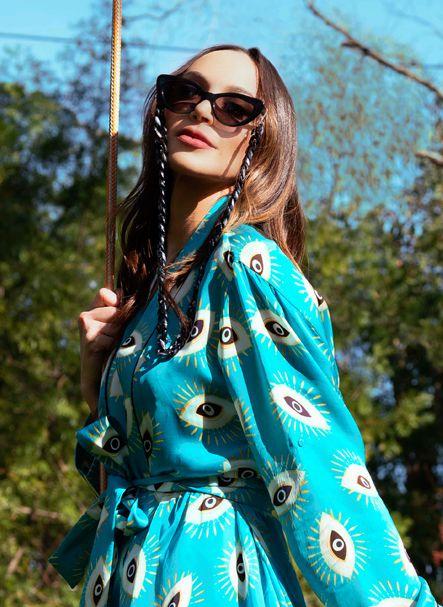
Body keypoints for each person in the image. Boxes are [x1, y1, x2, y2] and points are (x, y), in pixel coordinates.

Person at [48, 44, 441, 607]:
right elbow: (129, 473)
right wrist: (98, 386)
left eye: (234, 108)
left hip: (212, 574)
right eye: (186, 92)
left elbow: (317, 466)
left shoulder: (245, 264)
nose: (202, 110)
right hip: (125, 578)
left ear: (265, 139)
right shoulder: (153, 291)